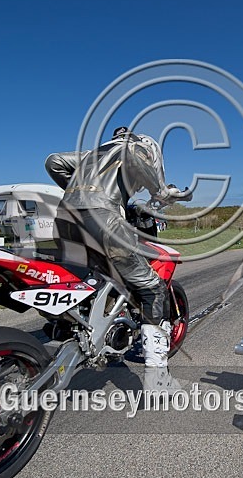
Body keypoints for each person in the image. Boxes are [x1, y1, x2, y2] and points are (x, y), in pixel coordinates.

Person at [45, 127, 183, 394]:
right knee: (153, 289)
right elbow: (134, 157)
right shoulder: (134, 148)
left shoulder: (94, 154)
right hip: (102, 219)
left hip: (64, 221)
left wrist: (79, 192)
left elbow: (54, 162)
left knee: (94, 280)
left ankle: (83, 329)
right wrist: (161, 191)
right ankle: (158, 381)